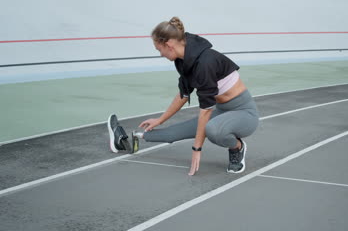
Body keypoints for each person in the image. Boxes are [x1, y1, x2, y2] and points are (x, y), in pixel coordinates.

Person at [108, 17, 259, 175]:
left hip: (244, 113)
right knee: (172, 133)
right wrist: (160, 119)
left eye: (159, 50)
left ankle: (237, 147)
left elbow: (206, 110)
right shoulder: (182, 60)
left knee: (213, 130)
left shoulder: (205, 62)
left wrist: (197, 148)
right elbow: (183, 95)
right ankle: (127, 138)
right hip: (221, 111)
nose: (160, 54)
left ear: (169, 45)